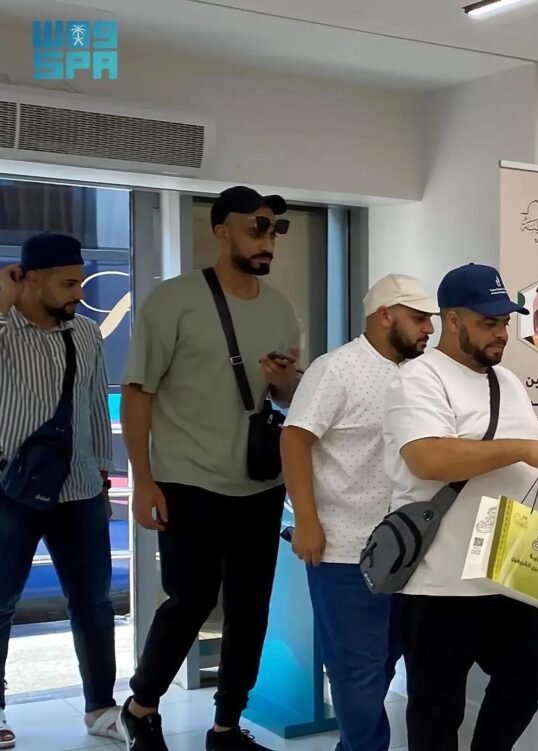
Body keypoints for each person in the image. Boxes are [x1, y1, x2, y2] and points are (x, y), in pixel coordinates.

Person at [117, 186, 301, 751]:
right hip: (187, 480)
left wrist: (284, 384)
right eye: (255, 227)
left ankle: (225, 727)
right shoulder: (173, 301)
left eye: (273, 229)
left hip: (259, 484)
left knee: (250, 610)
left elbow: (288, 396)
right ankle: (142, 705)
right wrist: (143, 480)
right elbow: (138, 391)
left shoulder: (280, 309)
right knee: (191, 601)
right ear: (222, 231)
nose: (267, 240)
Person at [384, 263, 538, 751]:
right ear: (452, 320)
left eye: (505, 323)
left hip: (510, 573)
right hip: (441, 583)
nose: (501, 334)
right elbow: (428, 458)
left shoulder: (508, 382)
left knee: (530, 673)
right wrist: (521, 450)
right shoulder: (419, 377)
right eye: (488, 323)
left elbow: (517, 459)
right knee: (437, 712)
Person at [281, 274, 438, 751]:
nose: (428, 329)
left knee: (383, 667)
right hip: (346, 551)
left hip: (412, 553)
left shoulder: (422, 375)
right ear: (385, 315)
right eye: (419, 318)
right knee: (358, 676)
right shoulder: (336, 370)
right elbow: (294, 439)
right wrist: (307, 521)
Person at [0, 233, 121, 747]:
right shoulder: (5, 329)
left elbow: (94, 405)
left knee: (93, 602)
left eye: (80, 281)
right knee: (1, 602)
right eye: (68, 283)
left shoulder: (86, 333)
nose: (79, 293)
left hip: (80, 490)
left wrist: (103, 477)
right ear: (30, 279)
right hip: (10, 489)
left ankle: (101, 707)